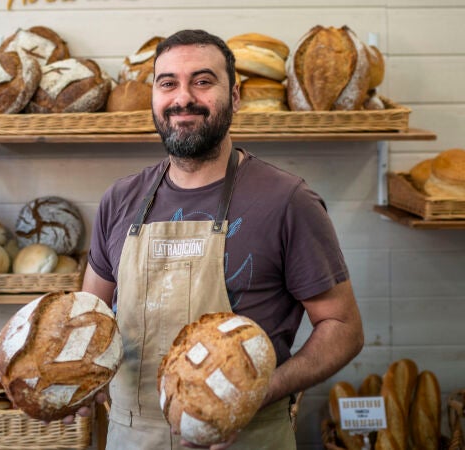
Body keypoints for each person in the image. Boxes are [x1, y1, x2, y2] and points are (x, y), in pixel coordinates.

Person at [77, 29, 364, 449]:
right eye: (168, 83)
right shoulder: (120, 200)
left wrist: (256, 393)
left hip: (248, 437)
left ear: (236, 95)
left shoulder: (287, 200)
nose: (183, 98)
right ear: (154, 96)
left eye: (203, 81)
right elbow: (92, 319)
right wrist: (80, 378)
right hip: (132, 437)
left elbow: (343, 327)